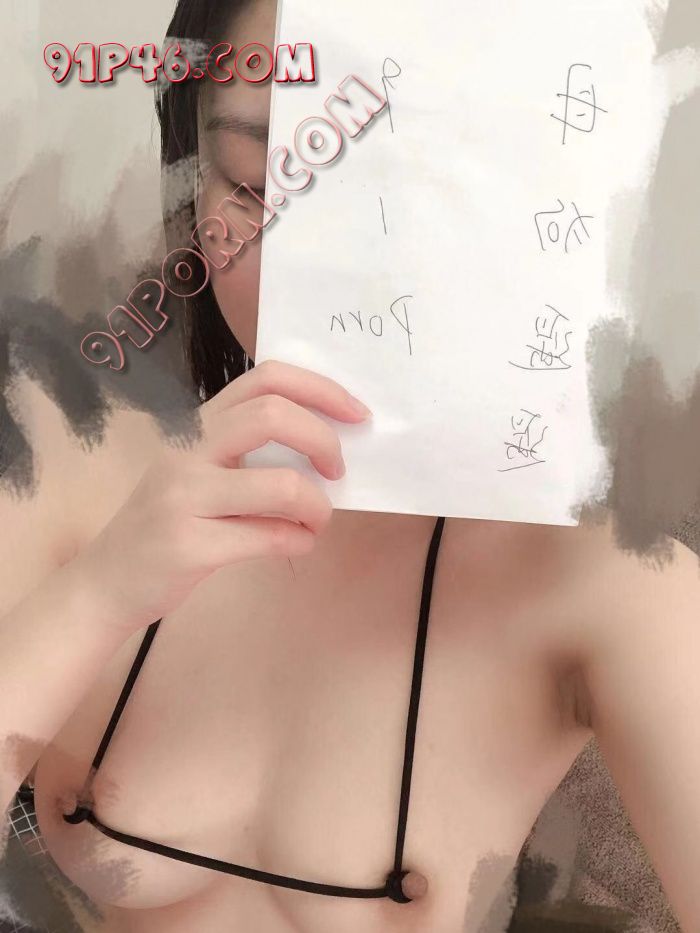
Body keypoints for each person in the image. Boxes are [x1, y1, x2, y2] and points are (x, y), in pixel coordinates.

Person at [1, 1, 699, 931]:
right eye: (258, 182)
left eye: (415, 195)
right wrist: (95, 595)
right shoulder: (60, 440)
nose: (328, 265)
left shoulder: (602, 578)